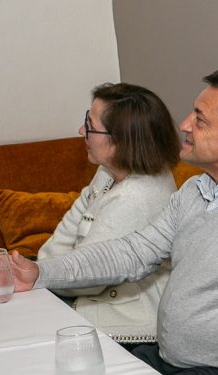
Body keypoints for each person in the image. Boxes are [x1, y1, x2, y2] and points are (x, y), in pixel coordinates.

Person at [10, 68, 218, 375]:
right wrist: (41, 273)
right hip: (170, 359)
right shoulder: (197, 190)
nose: (184, 125)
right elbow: (133, 253)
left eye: (200, 120)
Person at [38, 83, 179, 344]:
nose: (82, 131)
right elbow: (62, 238)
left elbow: (89, 279)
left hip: (122, 329)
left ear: (119, 142)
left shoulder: (136, 196)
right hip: (75, 294)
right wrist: (46, 269)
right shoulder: (109, 172)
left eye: (89, 125)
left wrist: (42, 273)